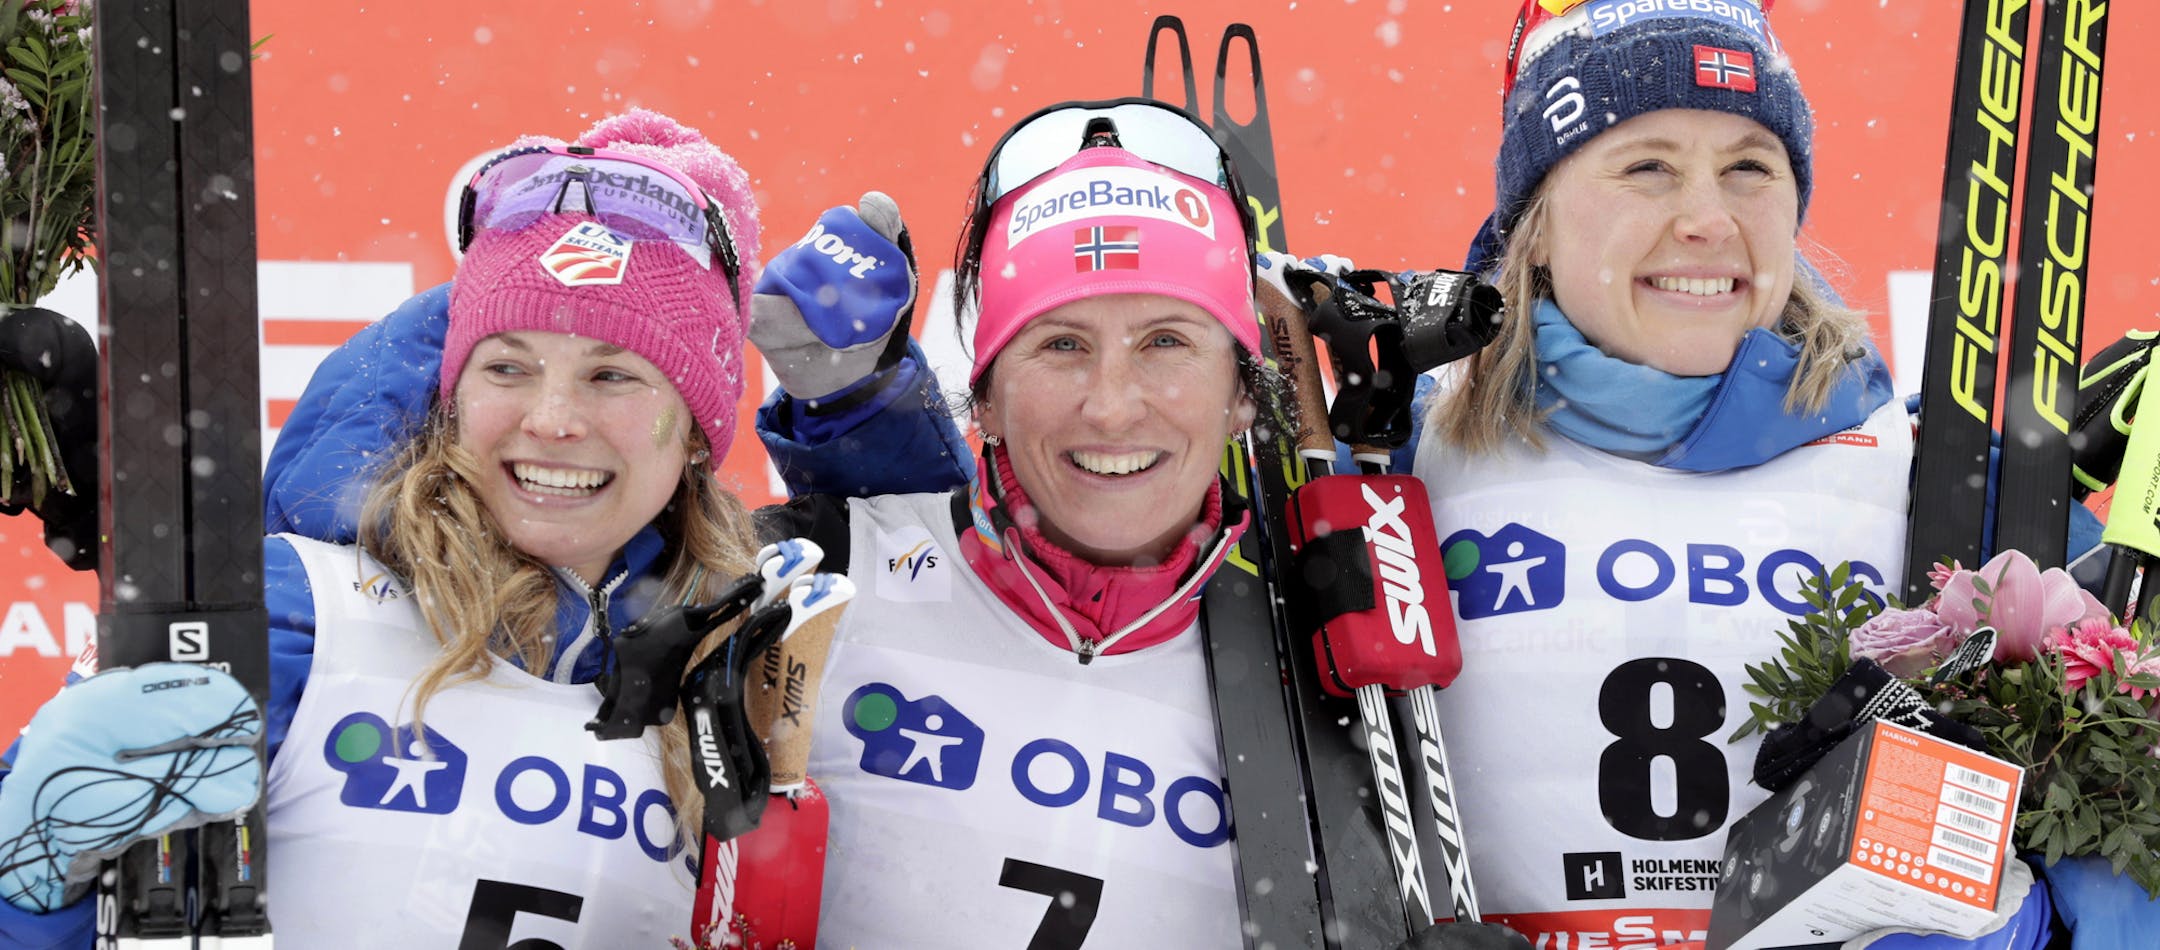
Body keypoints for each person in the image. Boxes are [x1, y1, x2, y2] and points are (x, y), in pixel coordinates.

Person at [241, 95, 1536, 945]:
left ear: (1239, 374)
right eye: (1059, 343)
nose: (1110, 401)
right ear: (987, 377)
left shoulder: (1331, 639)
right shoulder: (775, 610)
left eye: (1168, 342)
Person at [0, 108, 775, 948]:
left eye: (613, 375)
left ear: (696, 426)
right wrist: (34, 885)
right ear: (454, 392)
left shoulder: (748, 677)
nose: (552, 419)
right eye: (507, 366)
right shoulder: (298, 609)